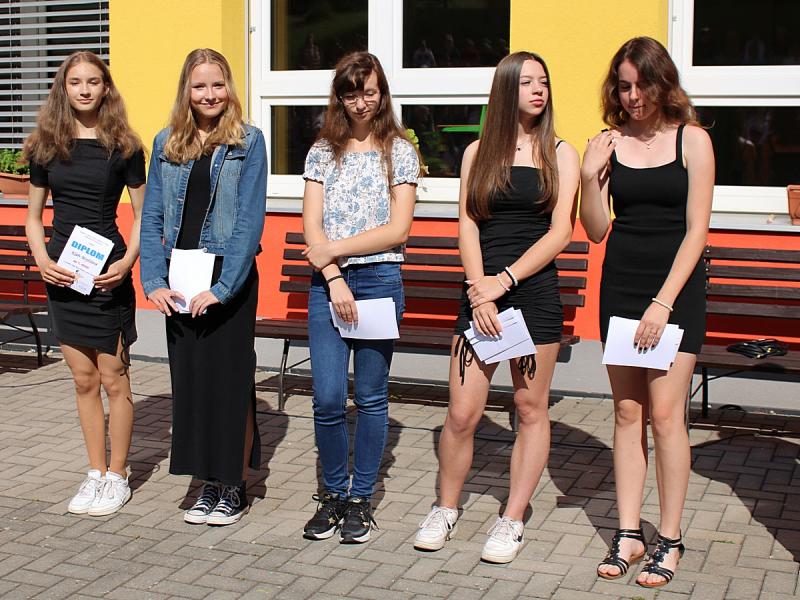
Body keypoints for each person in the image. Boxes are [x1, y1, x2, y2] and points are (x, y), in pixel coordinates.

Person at [414, 51, 579, 564]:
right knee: (462, 413)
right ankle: (445, 507)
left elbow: (561, 231)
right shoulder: (477, 152)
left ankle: (512, 518)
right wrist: (477, 287)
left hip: (531, 293)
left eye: (543, 81)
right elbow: (467, 224)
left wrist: (503, 282)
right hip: (480, 294)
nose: (538, 90)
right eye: (527, 82)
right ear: (506, 88)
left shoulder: (561, 153)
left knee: (530, 409)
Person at [580, 37, 714, 588]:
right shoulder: (609, 143)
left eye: (641, 85)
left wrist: (663, 303)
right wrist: (589, 175)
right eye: (623, 87)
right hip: (621, 286)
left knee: (665, 415)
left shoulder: (693, 140)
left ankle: (671, 538)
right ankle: (629, 533)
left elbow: (697, 231)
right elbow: (595, 230)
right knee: (626, 412)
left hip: (675, 291)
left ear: (663, 83)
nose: (632, 97)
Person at [139, 48, 267, 526]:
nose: (210, 94)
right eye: (199, 86)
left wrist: (224, 287)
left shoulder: (248, 142)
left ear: (229, 88)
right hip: (180, 279)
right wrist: (154, 280)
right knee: (193, 386)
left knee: (229, 384)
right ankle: (207, 482)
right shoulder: (166, 142)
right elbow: (152, 216)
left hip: (226, 279)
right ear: (186, 91)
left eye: (217, 84)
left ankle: (233, 484)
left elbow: (249, 221)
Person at [300, 51, 419, 544]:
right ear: (339, 98)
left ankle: (360, 498)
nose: (361, 102)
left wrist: (333, 250)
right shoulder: (321, 152)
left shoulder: (400, 151)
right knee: (328, 398)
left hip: (379, 281)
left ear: (382, 93)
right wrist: (333, 276)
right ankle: (332, 493)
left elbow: (398, 229)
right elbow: (311, 226)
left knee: (370, 397)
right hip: (330, 284)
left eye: (369, 92)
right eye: (351, 94)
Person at [24, 51, 145, 516]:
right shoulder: (45, 145)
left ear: (105, 87)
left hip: (106, 273)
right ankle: (94, 472)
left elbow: (144, 215)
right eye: (75, 82)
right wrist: (42, 259)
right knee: (82, 379)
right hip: (63, 273)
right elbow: (33, 217)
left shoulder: (124, 146)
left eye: (93, 81)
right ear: (64, 88)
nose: (85, 90)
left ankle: (118, 475)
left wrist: (128, 263)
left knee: (114, 378)